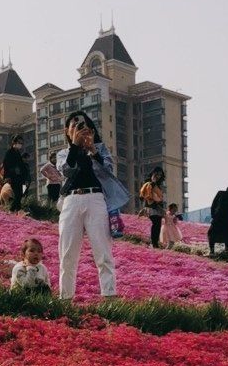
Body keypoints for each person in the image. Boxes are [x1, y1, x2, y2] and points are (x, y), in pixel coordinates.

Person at [55, 110, 127, 300]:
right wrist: (75, 147)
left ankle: (109, 295)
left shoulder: (100, 150)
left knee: (103, 252)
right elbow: (65, 171)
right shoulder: (64, 153)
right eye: (75, 126)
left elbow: (109, 170)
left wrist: (93, 151)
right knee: (67, 254)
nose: (81, 129)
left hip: (95, 199)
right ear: (67, 131)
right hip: (71, 201)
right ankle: (65, 298)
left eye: (84, 125)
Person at [208, 184, 228, 258]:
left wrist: (213, 216)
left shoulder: (220, 193)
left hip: (218, 219)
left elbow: (213, 205)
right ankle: (227, 252)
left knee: (212, 234)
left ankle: (212, 251)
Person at [138, 166, 167, 247]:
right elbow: (148, 197)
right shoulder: (149, 184)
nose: (158, 176)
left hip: (157, 207)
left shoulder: (157, 184)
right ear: (153, 173)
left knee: (157, 225)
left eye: (160, 175)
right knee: (156, 224)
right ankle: (154, 243)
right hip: (152, 207)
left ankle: (155, 243)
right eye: (157, 174)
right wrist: (159, 208)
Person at [1, 136, 30, 213]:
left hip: (19, 177)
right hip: (12, 176)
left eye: (21, 143)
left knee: (20, 194)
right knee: (18, 194)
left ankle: (17, 210)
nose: (20, 145)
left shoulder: (18, 153)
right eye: (19, 143)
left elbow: (21, 166)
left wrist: (25, 178)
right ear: (14, 142)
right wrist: (7, 177)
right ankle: (12, 210)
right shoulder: (9, 152)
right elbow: (6, 164)